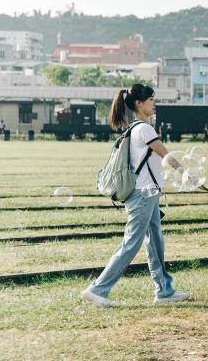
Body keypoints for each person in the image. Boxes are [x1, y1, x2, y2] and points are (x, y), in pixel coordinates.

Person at [80, 84, 189, 308]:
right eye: (150, 99)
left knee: (155, 242)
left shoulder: (137, 128)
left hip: (148, 193)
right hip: (142, 194)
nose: (154, 103)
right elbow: (165, 155)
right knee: (132, 243)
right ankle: (98, 289)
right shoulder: (144, 129)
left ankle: (164, 290)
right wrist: (187, 174)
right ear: (139, 103)